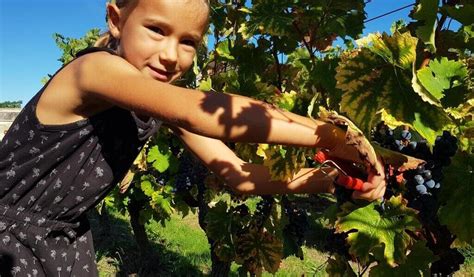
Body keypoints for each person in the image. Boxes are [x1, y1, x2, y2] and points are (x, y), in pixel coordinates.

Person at [0, 0, 386, 275]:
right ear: (116, 20)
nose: (172, 55)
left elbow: (238, 174)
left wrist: (321, 178)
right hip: (10, 240)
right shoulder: (94, 70)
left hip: (61, 241)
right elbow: (198, 111)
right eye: (156, 30)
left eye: (189, 42)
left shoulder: (152, 104)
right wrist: (331, 136)